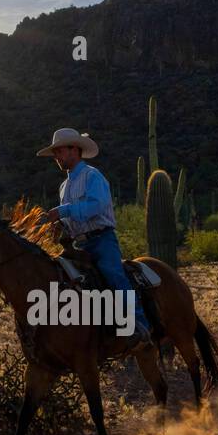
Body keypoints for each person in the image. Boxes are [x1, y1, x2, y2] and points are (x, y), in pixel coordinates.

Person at [36, 127, 153, 352]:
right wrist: (59, 225)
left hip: (101, 241)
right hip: (78, 244)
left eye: (59, 151)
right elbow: (71, 217)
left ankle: (138, 327)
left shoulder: (92, 176)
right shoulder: (64, 186)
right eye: (55, 154)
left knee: (114, 276)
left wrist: (63, 211)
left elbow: (97, 206)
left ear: (74, 150)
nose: (56, 158)